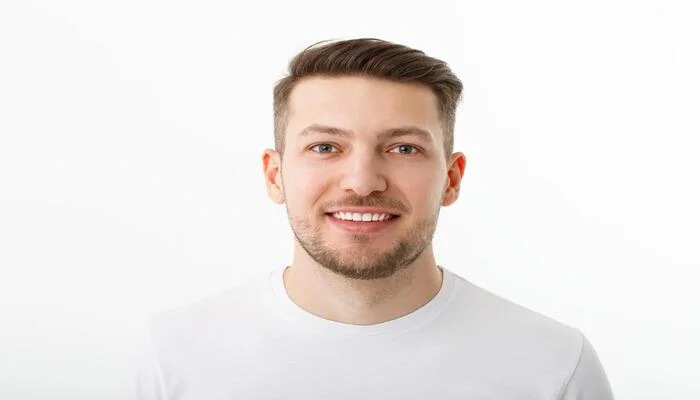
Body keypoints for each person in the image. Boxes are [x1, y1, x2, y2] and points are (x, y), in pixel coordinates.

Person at [134, 38, 615, 399]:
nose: (362, 181)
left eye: (402, 148)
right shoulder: (174, 354)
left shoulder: (552, 364)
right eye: (325, 147)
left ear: (451, 178)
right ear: (275, 175)